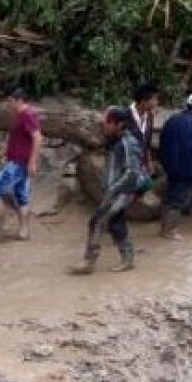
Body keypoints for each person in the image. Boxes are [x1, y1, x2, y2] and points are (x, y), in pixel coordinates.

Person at [69, 108, 145, 275]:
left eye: (107, 123)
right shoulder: (117, 140)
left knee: (97, 221)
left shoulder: (127, 143)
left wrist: (113, 190)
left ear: (119, 125)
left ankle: (89, 261)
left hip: (122, 191)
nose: (103, 126)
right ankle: (128, 259)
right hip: (118, 190)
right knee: (115, 222)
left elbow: (131, 172)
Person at [0, 88, 43, 240]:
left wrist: (32, 162)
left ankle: (4, 224)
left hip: (19, 163)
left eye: (10, 100)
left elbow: (37, 138)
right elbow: (15, 141)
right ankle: (23, 230)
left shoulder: (27, 115)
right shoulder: (19, 116)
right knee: (21, 196)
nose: (8, 104)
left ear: (18, 100)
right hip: (16, 161)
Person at [158, 91, 192, 240]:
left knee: (169, 197)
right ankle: (170, 231)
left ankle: (163, 228)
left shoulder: (173, 119)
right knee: (178, 200)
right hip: (187, 169)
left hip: (170, 167)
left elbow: (162, 142)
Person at [129, 83, 160, 177]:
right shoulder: (125, 115)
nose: (157, 102)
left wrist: (149, 162)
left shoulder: (149, 117)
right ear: (144, 100)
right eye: (154, 99)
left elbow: (147, 143)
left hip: (140, 166)